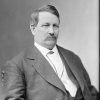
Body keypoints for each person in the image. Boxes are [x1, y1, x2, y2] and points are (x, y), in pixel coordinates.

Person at [3, 4, 98, 100]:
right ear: (33, 29)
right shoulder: (17, 65)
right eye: (46, 25)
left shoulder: (73, 57)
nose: (52, 31)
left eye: (55, 26)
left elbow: (92, 93)